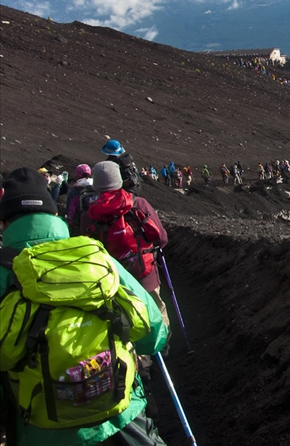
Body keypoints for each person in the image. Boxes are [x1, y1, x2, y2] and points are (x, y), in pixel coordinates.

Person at [0, 167, 169, 446]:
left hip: (40, 428)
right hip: (119, 414)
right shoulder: (94, 258)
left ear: (5, 224)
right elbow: (153, 331)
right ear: (54, 215)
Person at [80, 162, 170, 331]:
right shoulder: (139, 204)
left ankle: (134, 351)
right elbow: (162, 238)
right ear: (119, 180)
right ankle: (162, 344)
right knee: (155, 309)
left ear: (96, 185)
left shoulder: (89, 215)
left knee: (121, 316)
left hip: (112, 280)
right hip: (144, 273)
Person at [64, 163, 97, 235]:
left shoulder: (75, 191)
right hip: (98, 224)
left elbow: (70, 211)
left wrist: (70, 226)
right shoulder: (97, 187)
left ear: (77, 175)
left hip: (81, 224)